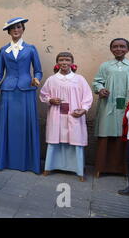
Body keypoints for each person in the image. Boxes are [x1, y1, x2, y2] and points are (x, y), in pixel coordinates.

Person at [0, 17, 43, 174]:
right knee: (8, 125)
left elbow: (38, 70)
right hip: (8, 91)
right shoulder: (3, 50)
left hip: (27, 90)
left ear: (23, 29)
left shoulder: (31, 49)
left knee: (26, 125)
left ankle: (28, 163)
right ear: (8, 31)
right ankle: (5, 160)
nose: (16, 30)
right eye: (13, 28)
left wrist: (37, 79)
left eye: (19, 27)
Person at [40, 52, 93, 181]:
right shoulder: (52, 79)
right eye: (61, 60)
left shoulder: (79, 79)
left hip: (74, 115)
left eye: (67, 60)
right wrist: (50, 100)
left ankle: (78, 170)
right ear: (57, 62)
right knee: (55, 139)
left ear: (72, 63)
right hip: (56, 115)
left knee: (74, 140)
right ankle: (50, 166)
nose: (64, 62)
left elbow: (87, 96)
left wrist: (84, 109)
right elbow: (43, 94)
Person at [93, 38, 129, 177]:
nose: (118, 49)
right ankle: (102, 168)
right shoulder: (105, 66)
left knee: (127, 132)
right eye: (115, 46)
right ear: (111, 49)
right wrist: (100, 89)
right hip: (108, 104)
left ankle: (125, 169)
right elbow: (97, 81)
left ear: (128, 49)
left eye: (122, 46)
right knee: (106, 131)